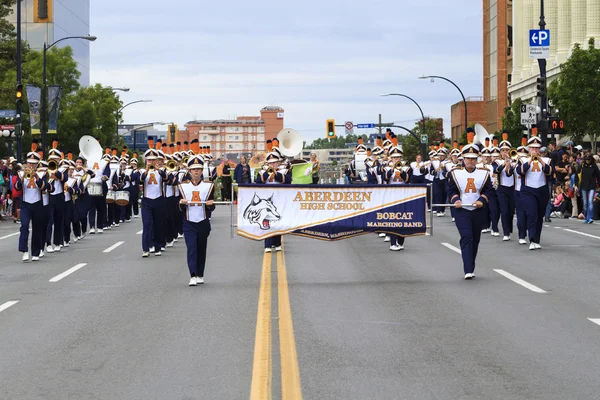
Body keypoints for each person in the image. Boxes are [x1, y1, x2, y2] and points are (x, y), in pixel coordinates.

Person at [447, 135, 494, 280]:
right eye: (468, 158)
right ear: (463, 159)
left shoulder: (484, 173)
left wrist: (482, 200)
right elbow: (451, 190)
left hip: (478, 210)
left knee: (475, 239)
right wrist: (456, 200)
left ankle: (471, 264)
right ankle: (467, 269)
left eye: (473, 158)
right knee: (466, 237)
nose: (471, 161)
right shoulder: (455, 173)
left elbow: (489, 190)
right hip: (462, 210)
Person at [178, 155, 215, 286]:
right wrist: (181, 203)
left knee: (201, 248)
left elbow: (212, 207)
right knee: (191, 247)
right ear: (189, 171)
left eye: (199, 169)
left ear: (202, 170)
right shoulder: (182, 186)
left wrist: (210, 204)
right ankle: (192, 275)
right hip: (189, 222)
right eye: (193, 169)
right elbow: (180, 208)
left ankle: (200, 273)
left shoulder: (209, 185)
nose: (196, 171)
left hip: (203, 221)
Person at [516, 129, 555, 250]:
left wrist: (541, 160)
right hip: (528, 190)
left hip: (542, 189)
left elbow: (550, 172)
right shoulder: (522, 160)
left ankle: (536, 239)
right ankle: (532, 238)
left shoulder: (547, 160)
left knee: (539, 216)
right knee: (531, 214)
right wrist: (530, 159)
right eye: (532, 148)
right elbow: (520, 171)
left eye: (537, 148)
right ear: (528, 149)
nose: (535, 150)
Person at [578, 153, 600, 223]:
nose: (588, 161)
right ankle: (586, 217)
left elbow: (598, 176)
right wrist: (576, 185)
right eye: (586, 159)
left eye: (589, 159)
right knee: (585, 203)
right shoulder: (581, 166)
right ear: (585, 160)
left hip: (592, 186)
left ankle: (590, 217)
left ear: (591, 160)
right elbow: (577, 175)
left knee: (590, 201)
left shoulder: (594, 166)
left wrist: (599, 184)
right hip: (584, 186)